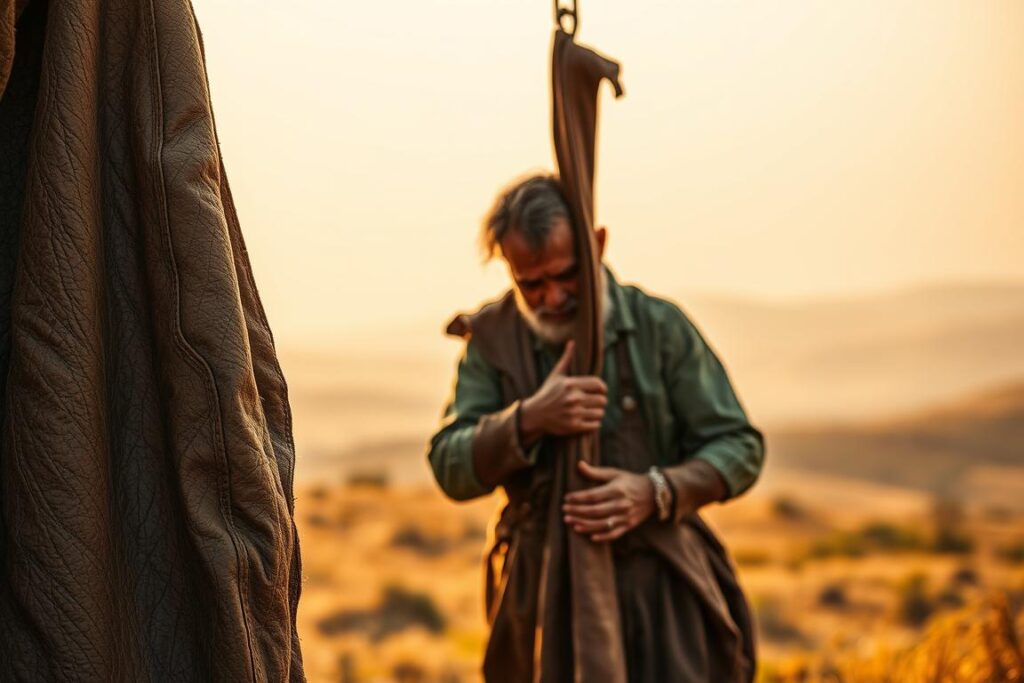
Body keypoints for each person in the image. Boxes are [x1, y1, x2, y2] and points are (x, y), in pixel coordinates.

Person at [428, 174, 764, 682]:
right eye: (531, 284)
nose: (552, 298)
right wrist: (528, 419)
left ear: (596, 243)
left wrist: (657, 492)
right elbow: (449, 465)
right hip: (541, 601)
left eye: (566, 275)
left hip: (661, 592)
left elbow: (739, 447)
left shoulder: (658, 327)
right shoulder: (492, 341)